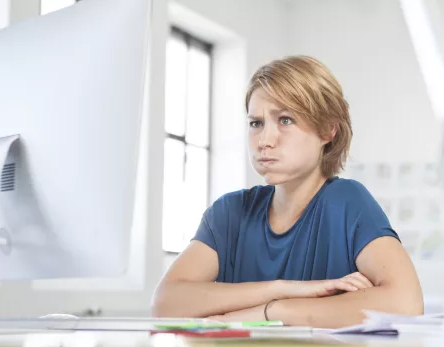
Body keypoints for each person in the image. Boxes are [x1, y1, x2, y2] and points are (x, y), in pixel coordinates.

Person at [152, 55, 423, 328]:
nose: (265, 141)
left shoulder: (347, 202)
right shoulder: (229, 212)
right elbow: (166, 303)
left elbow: (406, 304)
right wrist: (282, 288)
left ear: (328, 130)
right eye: (256, 123)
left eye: (285, 120)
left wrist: (273, 312)